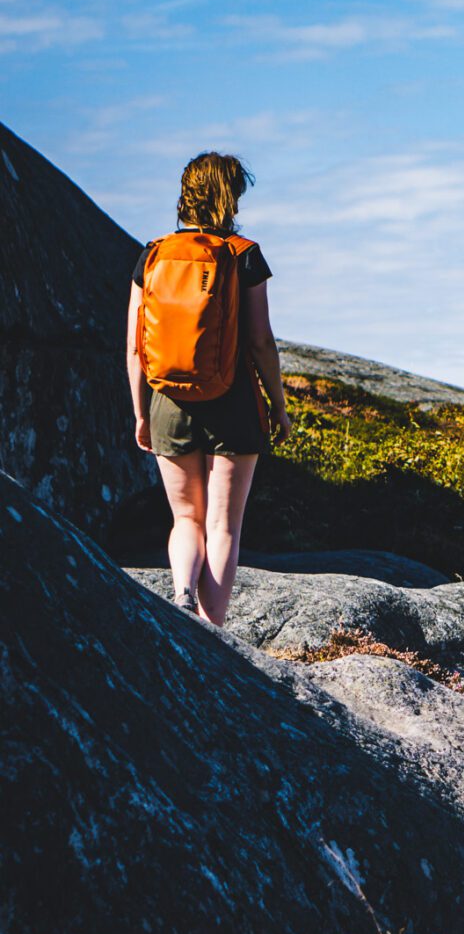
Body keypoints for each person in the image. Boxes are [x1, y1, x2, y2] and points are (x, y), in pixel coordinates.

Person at [125, 152, 292, 625]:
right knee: (222, 524)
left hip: (168, 403)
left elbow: (137, 350)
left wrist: (141, 413)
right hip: (234, 403)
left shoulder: (152, 254)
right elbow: (260, 341)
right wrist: (278, 407)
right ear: (230, 195)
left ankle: (181, 595)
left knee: (185, 519)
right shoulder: (244, 254)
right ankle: (213, 628)